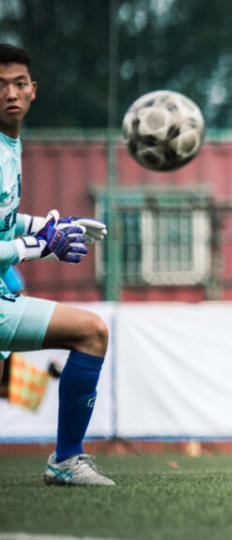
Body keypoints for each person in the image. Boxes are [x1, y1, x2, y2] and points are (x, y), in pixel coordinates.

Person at [0, 43, 112, 486]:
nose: (10, 92)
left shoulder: (10, 144)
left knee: (90, 332)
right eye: (0, 85)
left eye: (19, 83)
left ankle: (65, 459)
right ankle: (65, 460)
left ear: (33, 91)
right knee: (90, 332)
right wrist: (39, 243)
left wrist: (54, 227)